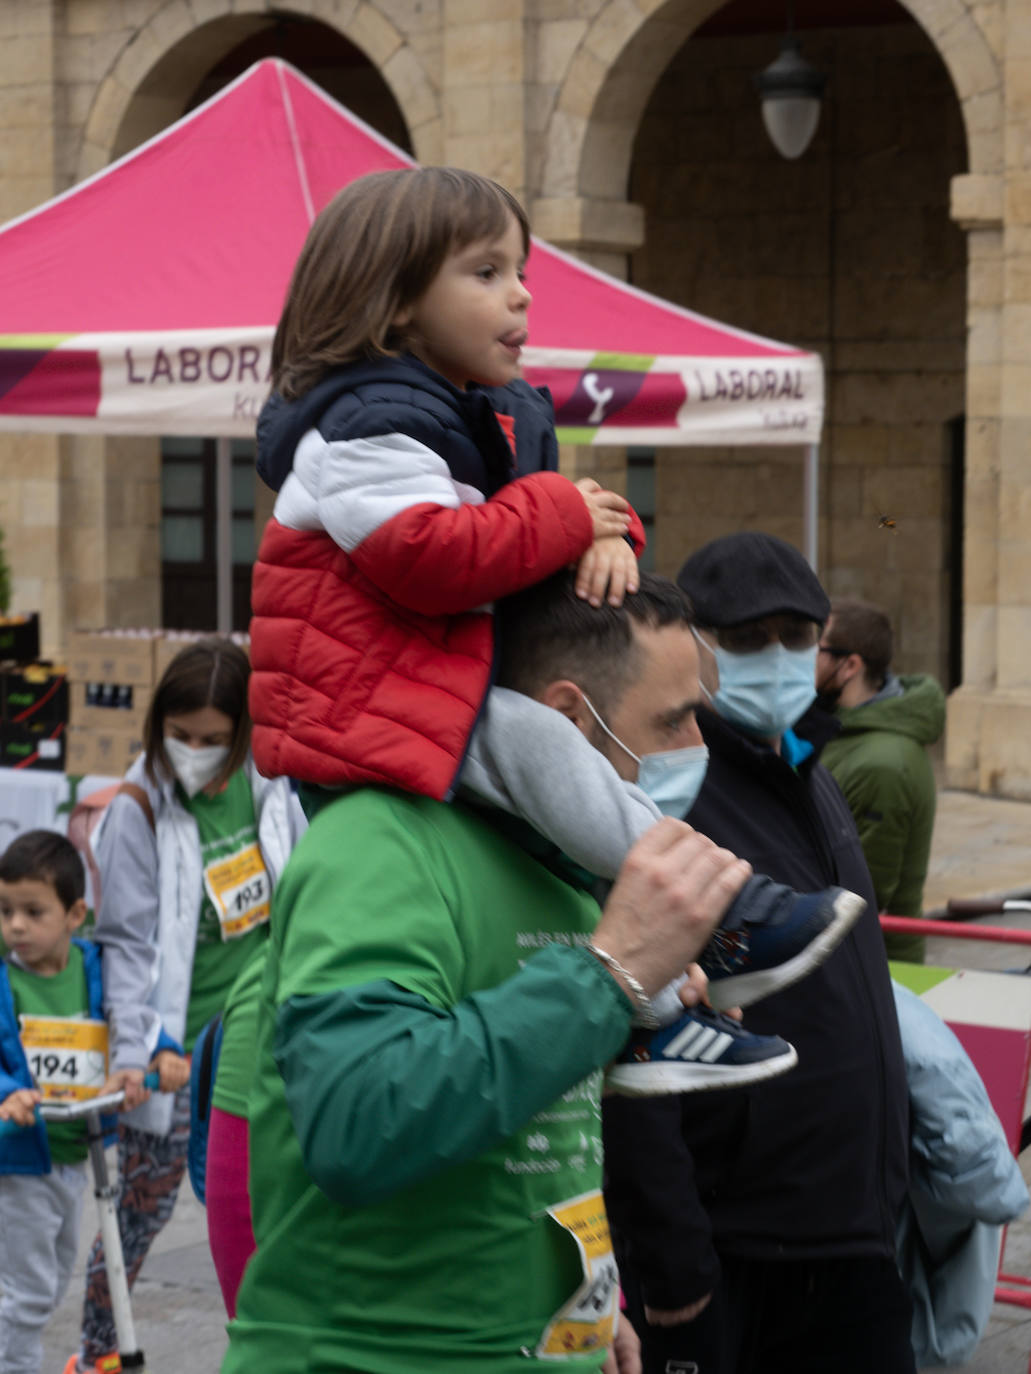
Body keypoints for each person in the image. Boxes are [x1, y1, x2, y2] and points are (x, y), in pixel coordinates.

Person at [249, 165, 862, 1091]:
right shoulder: (364, 426)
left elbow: (565, 519)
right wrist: (567, 518)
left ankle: (651, 1015)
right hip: (365, 707)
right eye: (486, 271)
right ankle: (723, 912)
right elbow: (431, 554)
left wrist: (600, 539)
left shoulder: (491, 415)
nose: (521, 293)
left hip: (436, 691)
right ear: (397, 298)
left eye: (521, 270)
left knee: (561, 848)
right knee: (546, 750)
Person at [221, 571, 762, 1374]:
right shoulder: (380, 839)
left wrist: (580, 1301)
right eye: (674, 719)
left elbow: (529, 1127)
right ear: (567, 718)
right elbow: (357, 1119)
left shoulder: (563, 868)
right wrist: (607, 977)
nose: (698, 750)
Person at [603, 532, 913, 1374]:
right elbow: (632, 1041)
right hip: (736, 1255)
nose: (773, 657)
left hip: (850, 1238)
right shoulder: (665, 790)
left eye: (793, 636)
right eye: (744, 639)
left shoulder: (810, 775)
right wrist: (674, 1271)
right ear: (695, 646)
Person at [65, 638, 306, 1374]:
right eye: (180, 735)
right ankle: (99, 1355)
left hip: (255, 1037)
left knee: (263, 1204)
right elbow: (128, 945)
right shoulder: (137, 808)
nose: (194, 751)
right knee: (139, 1213)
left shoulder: (271, 782)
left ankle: (275, 1338)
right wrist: (141, 1052)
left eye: (212, 738)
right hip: (172, 1049)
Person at [0, 830, 183, 1374]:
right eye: (5, 910)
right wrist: (9, 1095)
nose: (16, 926)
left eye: (34, 911)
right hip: (20, 1160)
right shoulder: (5, 981)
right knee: (29, 1293)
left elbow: (135, 1021)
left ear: (76, 912)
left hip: (78, 1156)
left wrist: (163, 1057)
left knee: (54, 1276)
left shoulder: (97, 969)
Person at [816, 597, 945, 963]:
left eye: (815, 646)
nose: (801, 655)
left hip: (876, 968)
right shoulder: (846, 731)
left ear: (850, 665)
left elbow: (862, 895)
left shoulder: (883, 765)